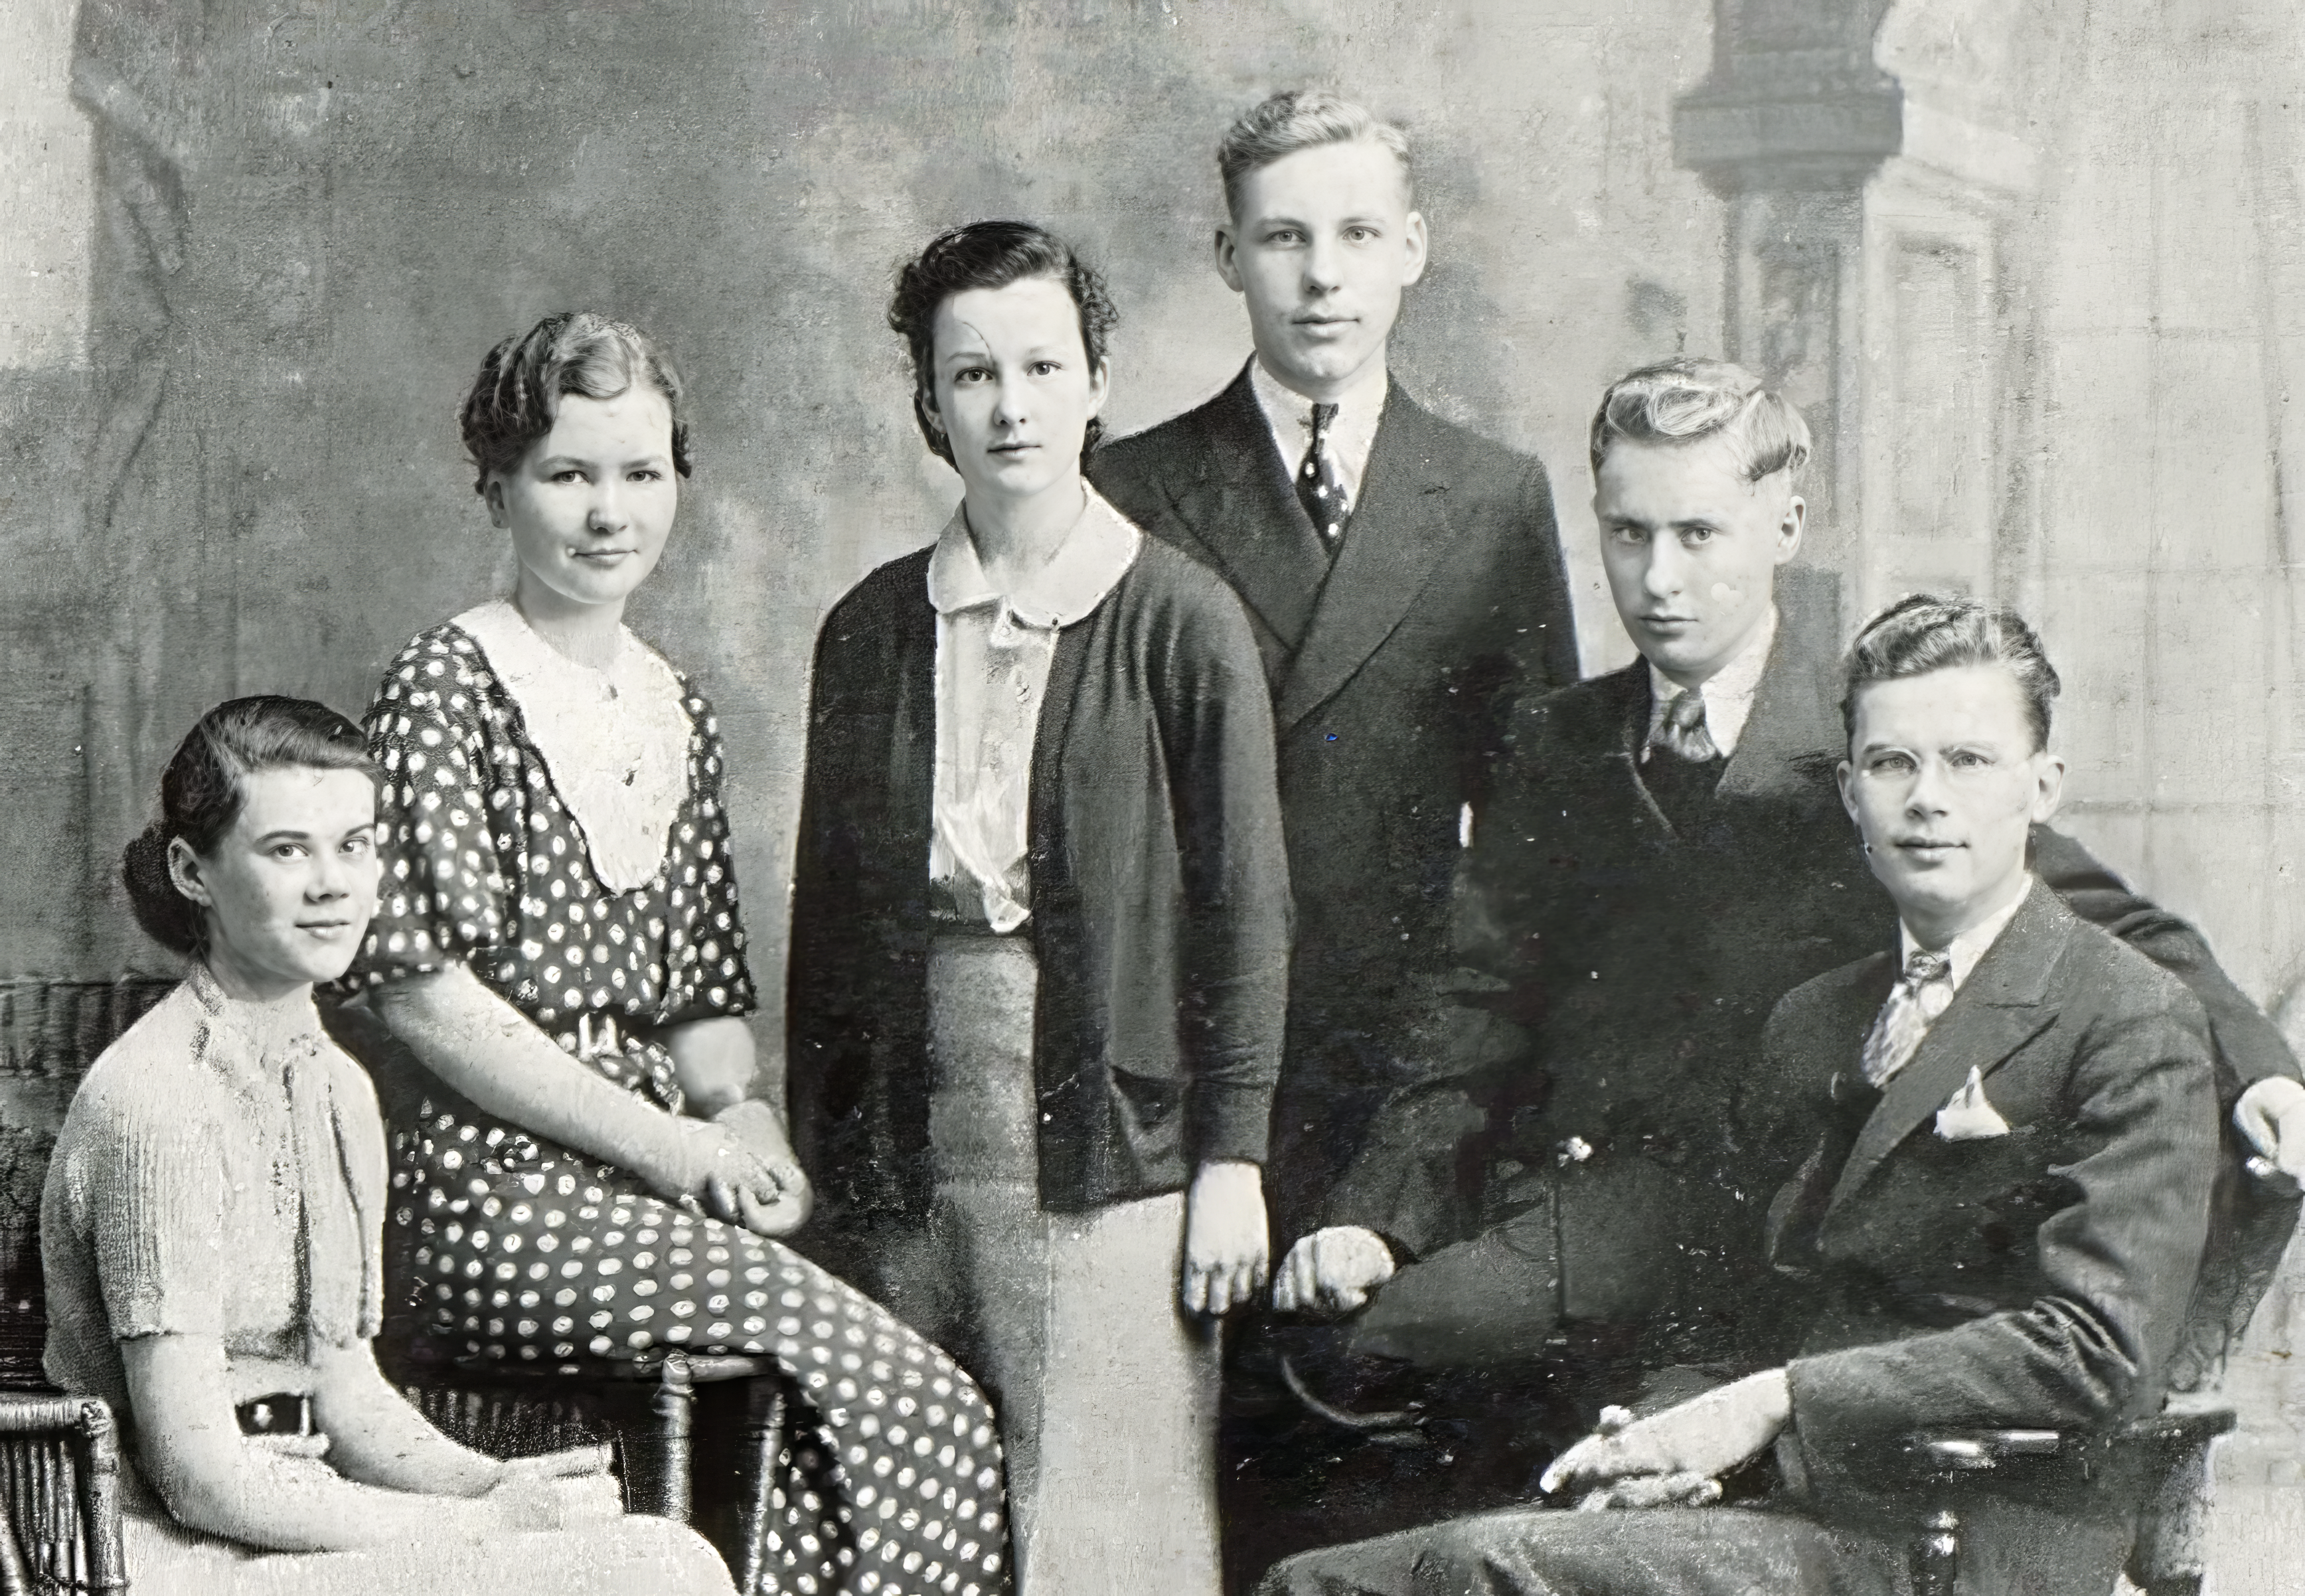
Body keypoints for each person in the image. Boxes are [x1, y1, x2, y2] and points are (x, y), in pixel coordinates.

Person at [1259, 358, 2302, 1552]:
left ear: (1786, 526)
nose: (1660, 578)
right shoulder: (1559, 739)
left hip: (1744, 1216)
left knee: (1366, 1377)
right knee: (1317, 1351)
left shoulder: (1869, 744)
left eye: (1700, 533)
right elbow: (1472, 1002)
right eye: (1629, 533)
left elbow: (2116, 925)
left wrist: (2263, 1067)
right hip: (1564, 1196)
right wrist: (1379, 1215)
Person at [339, 313, 1007, 1596]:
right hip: (489, 1200)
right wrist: (681, 1152)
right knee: (921, 1408)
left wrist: (745, 1123)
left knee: (820, 1438)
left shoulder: (672, 703)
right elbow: (429, 1003)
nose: (609, 514)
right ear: (498, 485)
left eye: (641, 475)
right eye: (568, 474)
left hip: (646, 1189)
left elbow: (702, 996)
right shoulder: (446, 685)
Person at [786, 220, 1291, 1596]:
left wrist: (1231, 1158)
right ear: (927, 406)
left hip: (1108, 1145)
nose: (1009, 406)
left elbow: (1245, 912)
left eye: (1039, 366)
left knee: (1098, 1534)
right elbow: (825, 932)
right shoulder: (871, 627)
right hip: (911, 1134)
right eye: (970, 374)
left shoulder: (1181, 619)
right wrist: (830, 1159)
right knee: (911, 1519)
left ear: (1094, 382)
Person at [41, 694, 736, 1594]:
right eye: (288, 849)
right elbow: (196, 1477)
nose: (333, 884)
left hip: (306, 1518)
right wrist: (479, 1526)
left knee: (660, 1553)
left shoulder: (337, 1089)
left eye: (355, 845)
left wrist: (501, 1484)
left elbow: (347, 1390)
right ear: (192, 870)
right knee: (649, 1576)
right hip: (144, 1553)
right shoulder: (159, 1102)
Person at [1089, 90, 1578, 1237]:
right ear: (1227, 255)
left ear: (1412, 248)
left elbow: (1533, 833)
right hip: (1186, 1059)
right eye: (1283, 238)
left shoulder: (1495, 499)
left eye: (1358, 235)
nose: (1323, 278)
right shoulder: (1130, 494)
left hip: (1407, 1070)